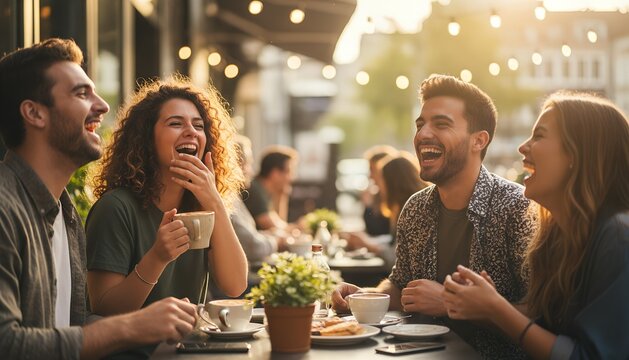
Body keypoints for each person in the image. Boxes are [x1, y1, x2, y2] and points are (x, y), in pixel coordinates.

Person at [0, 38, 196, 359]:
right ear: (34, 113)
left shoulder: (65, 212)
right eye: (81, 93)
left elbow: (73, 325)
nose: (104, 105)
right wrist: (131, 327)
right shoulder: (5, 208)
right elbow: (7, 345)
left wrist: (158, 324)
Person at [332, 74, 536, 358]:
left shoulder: (517, 208)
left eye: (441, 124)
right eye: (420, 124)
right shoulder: (416, 208)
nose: (422, 134)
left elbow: (542, 314)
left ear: (479, 140)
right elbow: (400, 283)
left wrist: (448, 302)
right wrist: (367, 297)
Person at [443, 92, 629, 359]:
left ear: (577, 153)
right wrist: (484, 304)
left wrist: (497, 309)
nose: (523, 147)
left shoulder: (618, 238)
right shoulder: (555, 236)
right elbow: (546, 330)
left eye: (539, 136)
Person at [85, 77, 248, 320]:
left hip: (190, 350)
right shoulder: (115, 208)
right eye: (175, 123)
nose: (191, 132)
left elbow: (235, 285)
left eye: (199, 125)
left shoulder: (201, 208)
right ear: (146, 138)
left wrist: (214, 201)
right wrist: (158, 257)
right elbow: (104, 309)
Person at [344, 151, 428, 269]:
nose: (379, 187)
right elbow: (393, 243)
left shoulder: (414, 210)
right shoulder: (404, 206)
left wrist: (367, 244)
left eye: (381, 181)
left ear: (393, 183)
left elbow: (399, 259)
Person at [231, 135, 288, 263]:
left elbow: (252, 236)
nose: (251, 172)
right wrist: (276, 239)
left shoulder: (234, 197)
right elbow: (253, 246)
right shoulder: (252, 191)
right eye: (248, 164)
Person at [243, 145, 298, 230]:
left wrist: (282, 197)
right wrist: (299, 227)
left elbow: (279, 223)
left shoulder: (263, 190)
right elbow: (275, 228)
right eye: (288, 171)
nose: (292, 177)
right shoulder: (254, 189)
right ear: (275, 173)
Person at [361, 145, 397, 236]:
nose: (370, 176)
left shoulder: (398, 196)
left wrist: (368, 206)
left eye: (372, 170)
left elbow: (379, 232)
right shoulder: (378, 195)